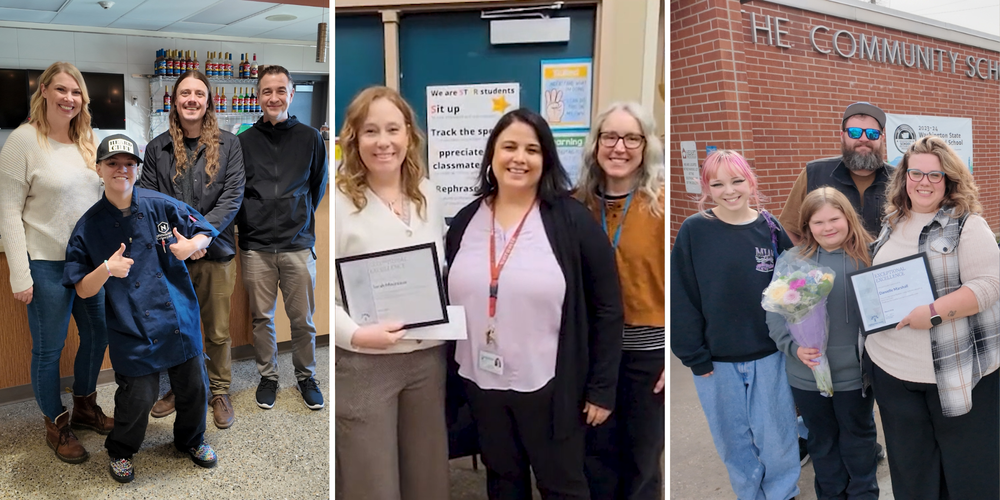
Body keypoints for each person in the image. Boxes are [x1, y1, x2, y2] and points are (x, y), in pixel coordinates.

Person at [445, 108, 623, 500]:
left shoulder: (572, 222)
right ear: (492, 154)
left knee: (562, 486)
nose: (519, 158)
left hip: (552, 387)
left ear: (546, 159)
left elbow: (608, 309)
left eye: (532, 149)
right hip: (481, 382)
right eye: (509, 147)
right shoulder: (465, 221)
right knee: (502, 479)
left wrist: (601, 389)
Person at [62, 133, 219, 483]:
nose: (122, 170)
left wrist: (192, 244)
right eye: (113, 164)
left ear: (137, 169)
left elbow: (206, 230)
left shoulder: (159, 204)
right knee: (139, 396)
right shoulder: (88, 227)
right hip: (130, 323)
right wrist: (106, 269)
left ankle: (192, 440)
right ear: (99, 169)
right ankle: (121, 450)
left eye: (129, 164)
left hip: (178, 315)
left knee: (194, 386)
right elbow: (82, 289)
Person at [864, 135, 999, 499]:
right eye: (916, 173)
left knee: (969, 475)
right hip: (892, 372)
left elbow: (989, 285)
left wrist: (934, 313)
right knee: (913, 473)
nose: (923, 182)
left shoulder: (968, 225)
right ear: (904, 177)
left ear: (949, 180)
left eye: (934, 175)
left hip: (956, 373)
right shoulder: (894, 219)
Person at [333, 86, 450, 500]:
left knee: (427, 475)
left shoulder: (428, 194)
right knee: (372, 481)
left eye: (393, 129)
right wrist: (355, 334)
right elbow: (321, 292)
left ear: (409, 135)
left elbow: (440, 268)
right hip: (365, 362)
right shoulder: (338, 203)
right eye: (371, 131)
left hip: (427, 359)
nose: (383, 142)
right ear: (354, 139)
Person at [0, 61, 112, 464]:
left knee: (98, 336)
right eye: (62, 89)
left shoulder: (88, 141)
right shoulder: (23, 141)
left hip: (88, 264)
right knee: (50, 349)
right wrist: (20, 274)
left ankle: (85, 406)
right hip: (46, 264)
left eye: (76, 91)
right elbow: (8, 211)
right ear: (44, 90)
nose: (69, 98)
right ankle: (56, 422)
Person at [671, 150, 800, 500]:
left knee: (777, 435)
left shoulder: (769, 228)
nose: (729, 191)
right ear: (706, 188)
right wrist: (693, 355)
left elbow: (795, 284)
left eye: (737, 181)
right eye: (718, 184)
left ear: (751, 182)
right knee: (733, 439)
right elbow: (682, 295)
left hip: (769, 354)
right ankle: (749, 493)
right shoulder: (694, 230)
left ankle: (782, 493)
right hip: (716, 361)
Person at [140, 70, 245, 429]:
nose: (192, 100)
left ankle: (219, 391)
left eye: (199, 93)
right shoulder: (157, 149)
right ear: (174, 100)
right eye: (185, 93)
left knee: (216, 330)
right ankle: (181, 388)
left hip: (215, 253)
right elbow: (150, 202)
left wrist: (199, 239)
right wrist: (178, 243)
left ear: (208, 100)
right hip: (172, 256)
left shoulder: (230, 145)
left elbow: (231, 198)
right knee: (179, 328)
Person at [573, 102, 665, 500]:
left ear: (646, 146)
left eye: (631, 138)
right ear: (596, 144)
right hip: (590, 355)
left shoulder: (661, 206)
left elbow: (684, 283)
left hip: (647, 357)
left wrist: (673, 354)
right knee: (595, 460)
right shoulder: (575, 206)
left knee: (642, 463)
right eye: (609, 136)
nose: (619, 147)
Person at [767, 187, 879, 499]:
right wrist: (793, 348)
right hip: (808, 372)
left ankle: (863, 494)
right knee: (822, 441)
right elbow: (775, 313)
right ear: (807, 225)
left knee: (859, 439)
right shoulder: (793, 261)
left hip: (855, 375)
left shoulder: (870, 256)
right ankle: (830, 494)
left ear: (849, 218)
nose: (828, 227)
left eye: (834, 219)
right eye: (818, 222)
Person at [237, 64, 328, 410]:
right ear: (258, 96)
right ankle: (269, 377)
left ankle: (306, 377)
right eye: (267, 91)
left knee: (302, 320)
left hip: (297, 245)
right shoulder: (244, 141)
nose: (273, 97)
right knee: (262, 319)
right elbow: (238, 190)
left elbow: (317, 185)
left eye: (280, 91)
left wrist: (296, 215)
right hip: (256, 247)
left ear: (291, 94)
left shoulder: (310, 138)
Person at [779, 102, 894, 240]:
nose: (864, 139)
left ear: (882, 138)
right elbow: (789, 229)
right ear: (842, 136)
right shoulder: (813, 174)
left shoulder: (898, 179)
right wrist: (803, 254)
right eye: (854, 132)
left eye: (872, 133)